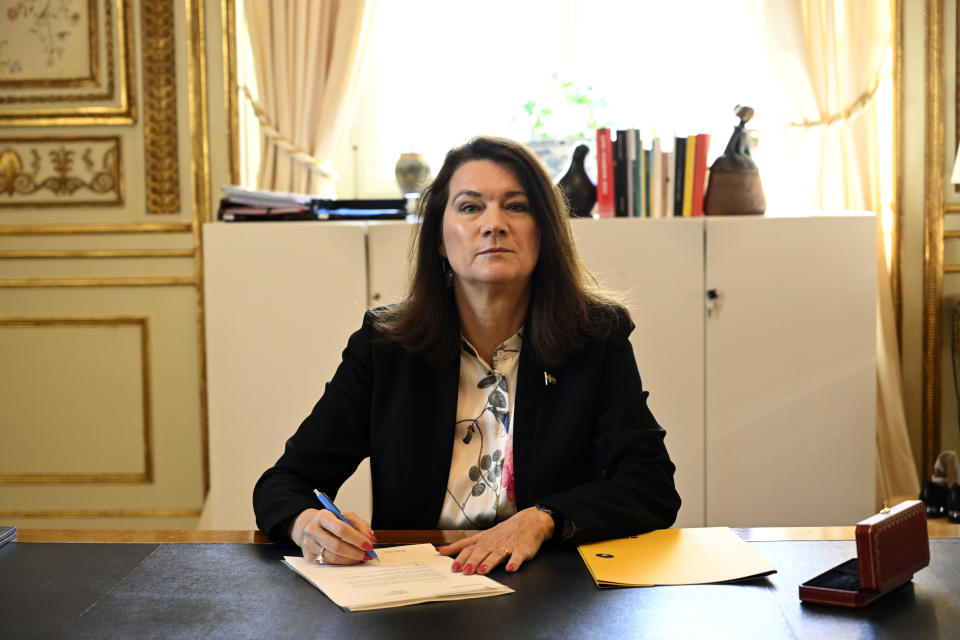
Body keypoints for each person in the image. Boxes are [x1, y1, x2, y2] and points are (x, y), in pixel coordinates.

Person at [253, 136, 681, 576]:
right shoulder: (384, 346)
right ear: (440, 238)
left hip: (549, 583)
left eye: (516, 206)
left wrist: (544, 518)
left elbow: (650, 486)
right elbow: (285, 482)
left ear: (545, 232)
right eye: (470, 207)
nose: (494, 224)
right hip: (422, 588)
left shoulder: (596, 337)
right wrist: (306, 525)